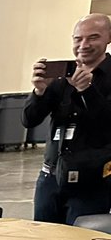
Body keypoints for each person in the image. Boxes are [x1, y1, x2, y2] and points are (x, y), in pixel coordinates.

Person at [23, 13, 111, 225]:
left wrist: (87, 91)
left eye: (93, 37)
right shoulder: (63, 76)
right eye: (78, 38)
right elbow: (29, 120)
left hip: (92, 180)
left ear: (108, 38)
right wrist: (39, 91)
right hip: (51, 177)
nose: (84, 45)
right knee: (43, 239)